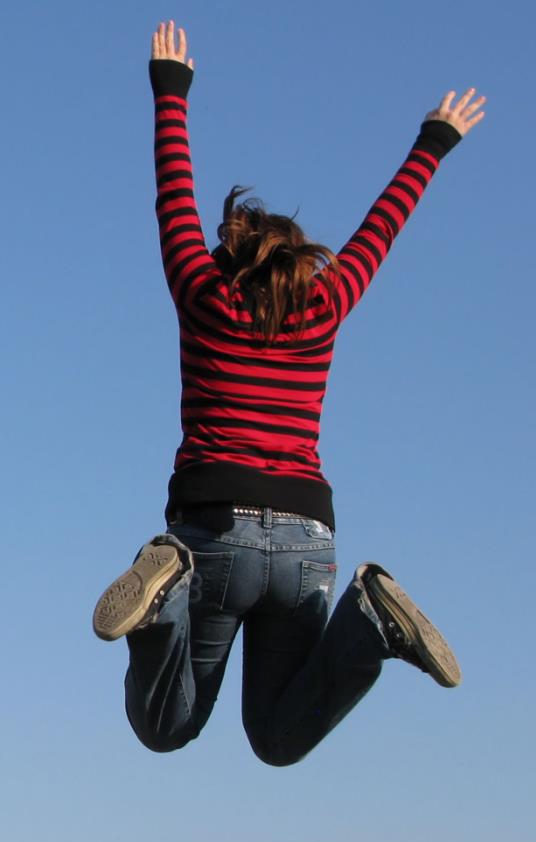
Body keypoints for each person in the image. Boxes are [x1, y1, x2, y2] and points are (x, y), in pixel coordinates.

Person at [91, 21, 483, 765]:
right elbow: (382, 226)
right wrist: (435, 140)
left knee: (166, 726)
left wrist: (169, 93)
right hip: (307, 540)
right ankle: (366, 622)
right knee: (275, 738)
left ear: (228, 254)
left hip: (213, 529)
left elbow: (172, 196)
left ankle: (166, 595)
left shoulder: (203, 294)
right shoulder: (326, 303)